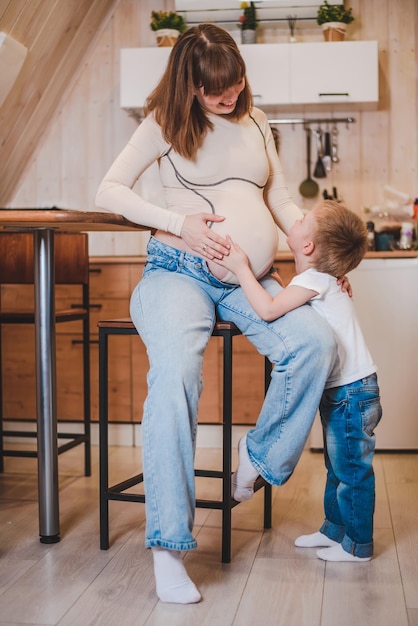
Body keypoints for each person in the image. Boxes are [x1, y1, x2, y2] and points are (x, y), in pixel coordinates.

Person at [95, 24, 337, 604]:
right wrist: (181, 225)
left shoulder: (255, 122)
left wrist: (321, 255)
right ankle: (168, 547)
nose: (229, 98)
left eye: (235, 85)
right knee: (177, 372)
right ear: (189, 85)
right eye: (215, 91)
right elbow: (109, 190)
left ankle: (255, 460)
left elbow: (279, 198)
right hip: (177, 271)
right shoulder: (162, 123)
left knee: (316, 345)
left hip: (247, 280)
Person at [215, 200, 383, 562]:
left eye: (303, 218)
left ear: (307, 246)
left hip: (350, 394)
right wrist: (270, 276)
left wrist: (242, 269)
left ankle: (358, 545)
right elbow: (283, 296)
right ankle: (334, 531)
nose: (297, 217)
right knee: (338, 466)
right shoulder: (317, 281)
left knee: (352, 471)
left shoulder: (313, 281)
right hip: (350, 391)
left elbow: (269, 309)